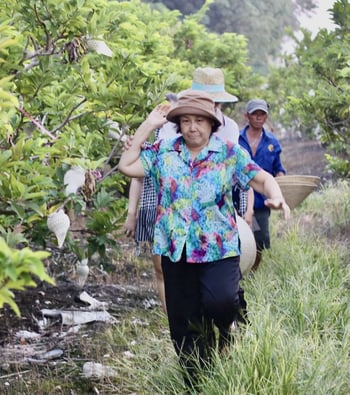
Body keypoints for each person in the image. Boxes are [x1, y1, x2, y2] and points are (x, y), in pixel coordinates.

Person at [119, 91, 290, 388]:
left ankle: (230, 324)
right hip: (175, 248)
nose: (192, 127)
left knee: (221, 301)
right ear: (178, 124)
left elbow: (261, 178)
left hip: (218, 247)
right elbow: (127, 165)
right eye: (185, 120)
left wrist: (275, 197)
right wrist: (147, 125)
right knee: (183, 323)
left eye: (199, 120)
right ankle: (197, 380)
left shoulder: (227, 153)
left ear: (211, 124)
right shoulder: (163, 151)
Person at [123, 67, 242, 314]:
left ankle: (223, 317)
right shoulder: (170, 125)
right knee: (170, 268)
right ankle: (179, 318)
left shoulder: (229, 128)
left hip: (212, 204)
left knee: (217, 277)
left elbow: (237, 169)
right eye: (186, 121)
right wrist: (132, 212)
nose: (192, 127)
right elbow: (138, 166)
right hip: (168, 202)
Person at [239, 99, 286, 271]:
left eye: (262, 114)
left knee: (260, 238)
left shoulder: (272, 142)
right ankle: (238, 270)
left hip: (261, 201)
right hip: (239, 197)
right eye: (255, 114)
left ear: (266, 117)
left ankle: (253, 270)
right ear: (247, 116)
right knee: (238, 235)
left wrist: (280, 187)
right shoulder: (236, 139)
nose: (259, 118)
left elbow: (278, 169)